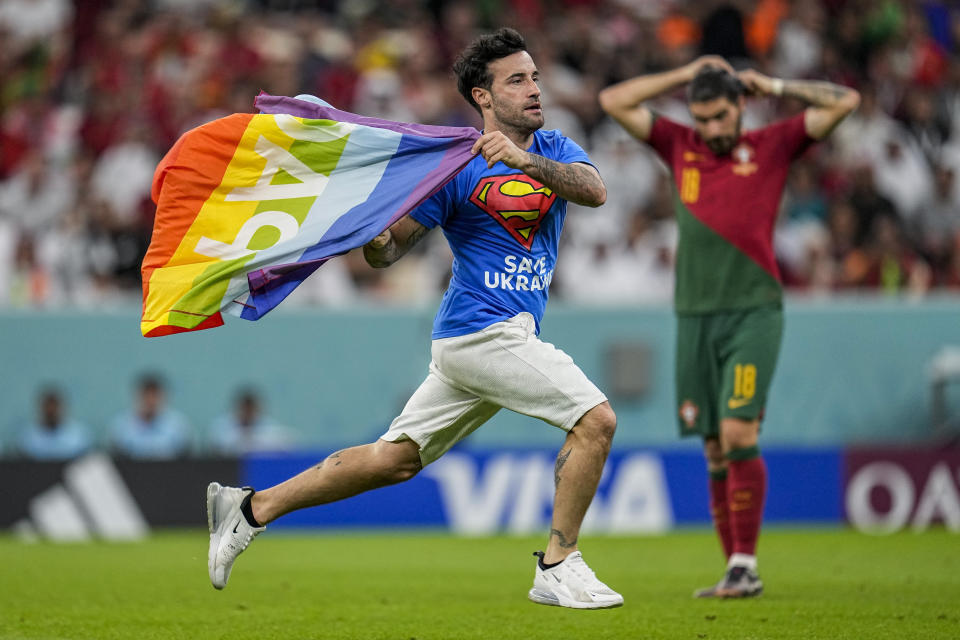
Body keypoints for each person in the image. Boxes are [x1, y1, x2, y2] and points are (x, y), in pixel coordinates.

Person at [207, 27, 623, 609]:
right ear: (483, 97)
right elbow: (388, 250)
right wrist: (371, 233)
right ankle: (557, 563)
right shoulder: (453, 167)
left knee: (393, 460)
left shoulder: (553, 149)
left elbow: (595, 191)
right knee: (596, 421)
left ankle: (250, 508)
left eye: (534, 77)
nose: (534, 89)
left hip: (488, 340)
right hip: (481, 331)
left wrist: (523, 159)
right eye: (517, 80)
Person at [599, 57, 859, 598]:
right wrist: (683, 73)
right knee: (715, 448)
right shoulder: (679, 144)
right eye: (702, 119)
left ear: (741, 105)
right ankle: (735, 570)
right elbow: (613, 102)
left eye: (720, 116)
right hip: (693, 316)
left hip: (753, 311)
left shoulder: (773, 144)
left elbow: (845, 102)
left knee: (740, 432)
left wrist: (778, 85)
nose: (712, 129)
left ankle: (746, 563)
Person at [109, 372, 191, 459]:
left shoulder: (178, 427)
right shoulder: (121, 427)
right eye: (147, 395)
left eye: (155, 396)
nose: (151, 401)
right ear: (138, 396)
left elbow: (186, 458)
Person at [207, 387, 294, 455]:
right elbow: (216, 447)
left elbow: (287, 443)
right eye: (244, 408)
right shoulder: (221, 427)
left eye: (250, 408)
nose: (247, 412)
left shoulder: (269, 427)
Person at [16, 385, 93, 460]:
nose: (51, 411)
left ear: (62, 408)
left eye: (54, 407)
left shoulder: (79, 436)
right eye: (48, 408)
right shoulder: (28, 437)